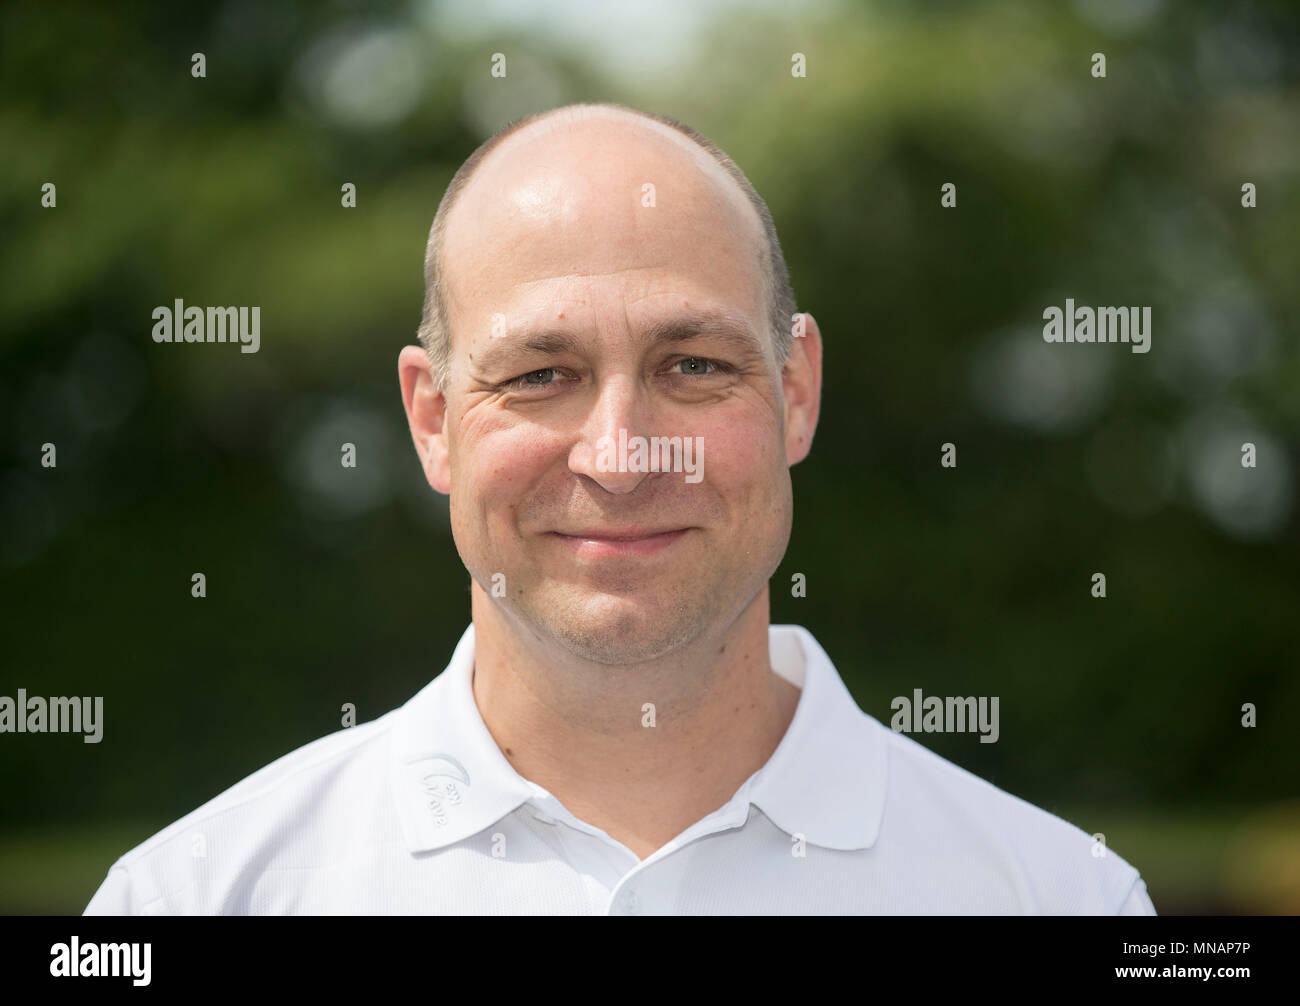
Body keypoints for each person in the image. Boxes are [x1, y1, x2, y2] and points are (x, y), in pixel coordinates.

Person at [85, 102, 1155, 915]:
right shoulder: (188, 901)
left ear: (795, 392)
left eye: (691, 364)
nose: (620, 454)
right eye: (540, 374)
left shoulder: (1061, 900)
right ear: (429, 418)